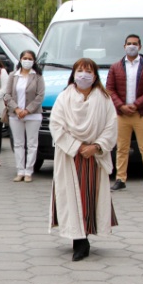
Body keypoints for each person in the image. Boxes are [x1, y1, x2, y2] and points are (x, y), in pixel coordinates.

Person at [50, 58, 118, 261]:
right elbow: (56, 125)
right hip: (70, 155)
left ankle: (84, 236)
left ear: (95, 76)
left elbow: (111, 126)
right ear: (74, 74)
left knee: (89, 197)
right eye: (80, 70)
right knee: (72, 197)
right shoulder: (64, 97)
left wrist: (96, 146)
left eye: (88, 71)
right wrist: (78, 146)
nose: (84, 75)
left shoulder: (104, 99)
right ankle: (78, 240)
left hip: (94, 157)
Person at [106, 34, 143, 194]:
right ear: (124, 46)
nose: (132, 46)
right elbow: (110, 89)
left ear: (140, 47)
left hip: (141, 114)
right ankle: (120, 179)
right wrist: (121, 106)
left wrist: (136, 105)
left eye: (135, 44)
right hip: (122, 114)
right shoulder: (115, 67)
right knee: (121, 148)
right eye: (129, 43)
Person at [4, 50, 45, 182]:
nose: (27, 61)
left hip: (33, 115)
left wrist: (27, 110)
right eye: (25, 58)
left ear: (34, 61)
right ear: (20, 60)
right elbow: (7, 95)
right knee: (18, 144)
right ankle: (20, 170)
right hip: (15, 115)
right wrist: (16, 109)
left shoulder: (37, 76)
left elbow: (40, 96)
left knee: (32, 144)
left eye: (30, 58)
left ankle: (29, 171)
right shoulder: (13, 75)